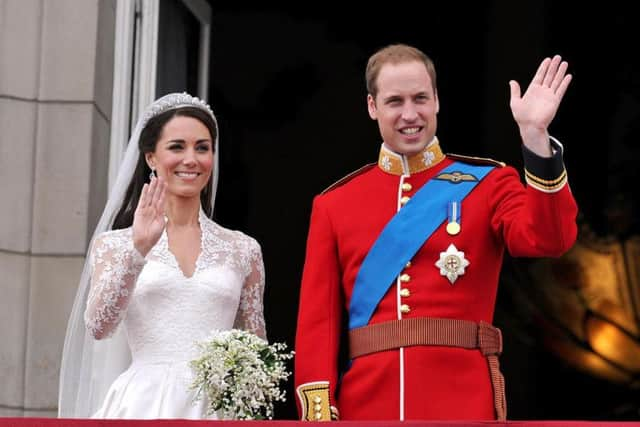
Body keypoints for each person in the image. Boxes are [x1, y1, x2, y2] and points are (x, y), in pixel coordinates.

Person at [294, 44, 578, 421]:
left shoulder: (489, 184)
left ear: (437, 101)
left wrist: (535, 139)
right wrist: (318, 408)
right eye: (395, 101)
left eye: (420, 98)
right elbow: (319, 321)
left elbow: (550, 238)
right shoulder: (334, 204)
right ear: (372, 107)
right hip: (365, 406)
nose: (410, 114)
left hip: (462, 401)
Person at [58, 92, 266, 419]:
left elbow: (256, 353)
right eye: (176, 147)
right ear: (151, 158)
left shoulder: (243, 249)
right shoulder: (114, 245)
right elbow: (98, 326)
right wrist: (138, 249)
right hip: (141, 405)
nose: (191, 159)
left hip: (215, 409)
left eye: (202, 147)